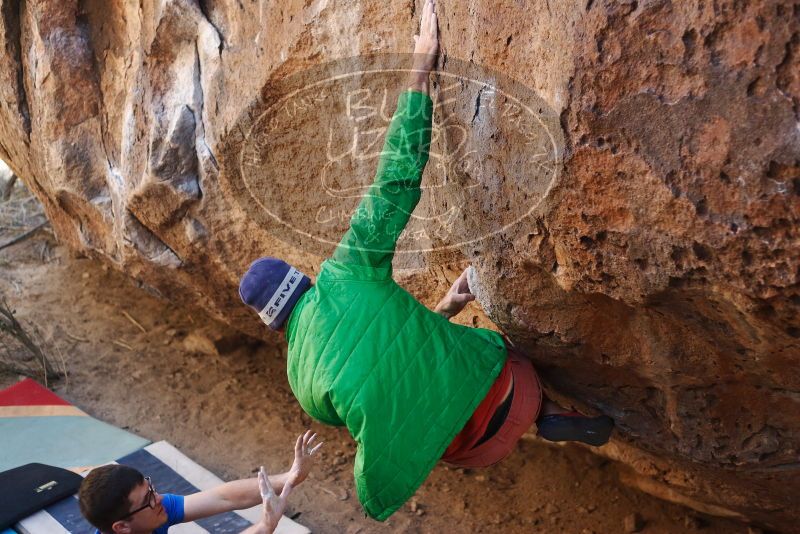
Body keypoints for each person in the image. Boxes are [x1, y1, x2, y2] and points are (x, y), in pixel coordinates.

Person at [238, 0, 613, 521]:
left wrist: (448, 304)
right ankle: (546, 408)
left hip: (468, 449)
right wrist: (422, 65)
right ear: (302, 280)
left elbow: (392, 380)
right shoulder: (344, 270)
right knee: (493, 349)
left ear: (276, 326)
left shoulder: (304, 385)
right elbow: (395, 179)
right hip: (511, 388)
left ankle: (524, 421)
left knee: (422, 403)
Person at [78, 430, 321, 534]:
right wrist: (264, 526)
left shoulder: (151, 512)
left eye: (151, 489)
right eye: (148, 499)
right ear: (121, 528)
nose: (159, 498)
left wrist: (289, 477)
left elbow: (222, 497)